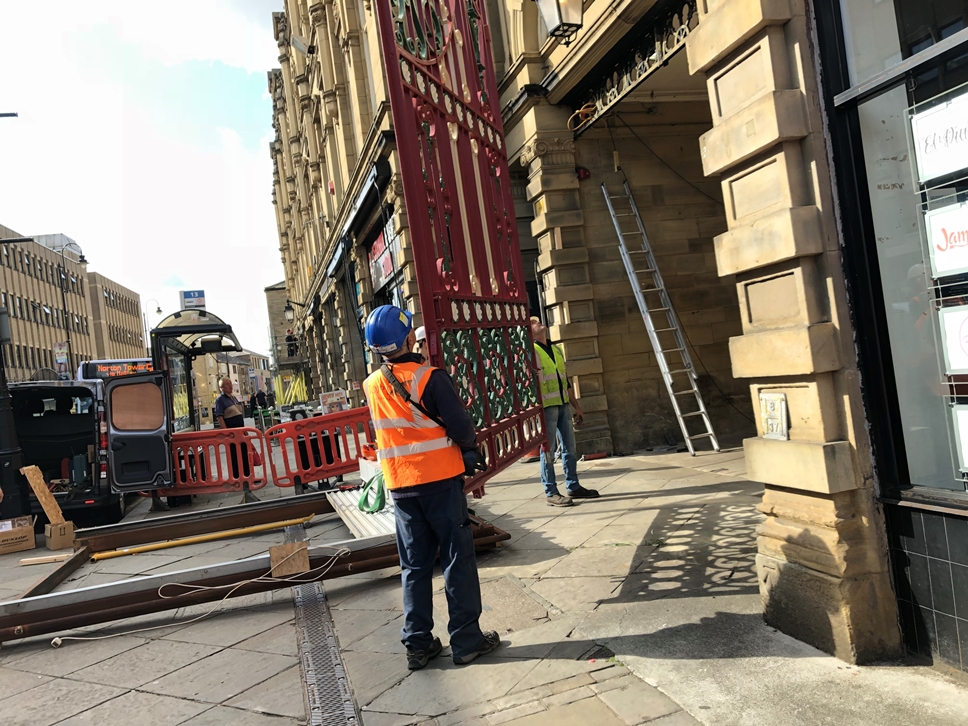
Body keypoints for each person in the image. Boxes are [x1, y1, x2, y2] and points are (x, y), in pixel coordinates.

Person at [363, 305, 499, 670]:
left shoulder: (372, 384)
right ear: (409, 337)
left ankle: (418, 645)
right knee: (456, 559)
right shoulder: (430, 378)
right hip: (439, 482)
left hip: (401, 487)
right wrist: (470, 447)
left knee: (415, 566)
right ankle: (467, 640)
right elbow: (461, 428)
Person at [530, 316, 599, 506]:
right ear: (530, 331)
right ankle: (551, 491)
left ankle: (573, 486)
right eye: (534, 322)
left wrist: (577, 406)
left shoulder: (556, 349)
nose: (538, 322)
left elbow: (565, 380)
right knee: (548, 451)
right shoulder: (531, 351)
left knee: (570, 448)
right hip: (546, 407)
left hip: (562, 404)